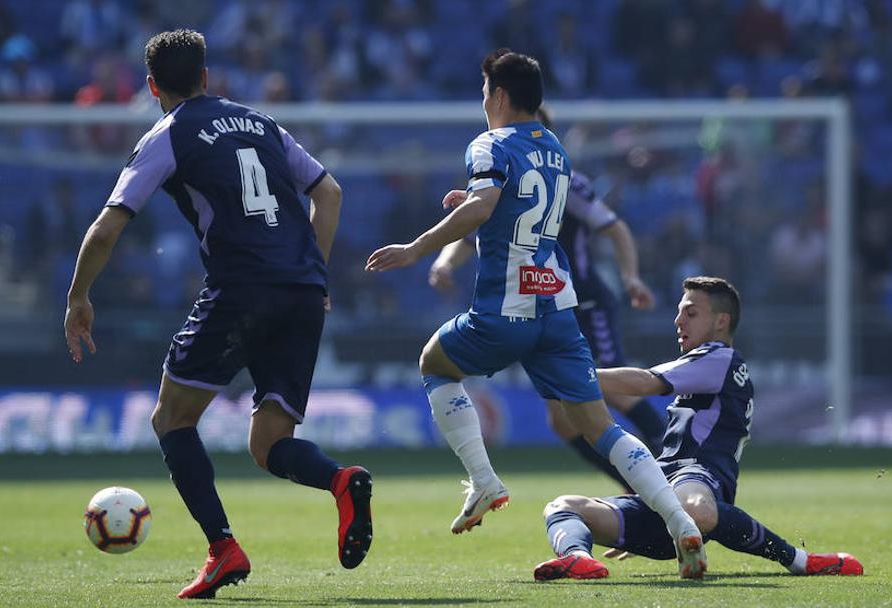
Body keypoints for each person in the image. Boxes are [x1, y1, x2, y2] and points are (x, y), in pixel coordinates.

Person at [366, 48, 706, 579]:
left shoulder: (488, 143)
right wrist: (474, 199)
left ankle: (484, 481)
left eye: (485, 92)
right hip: (557, 307)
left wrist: (415, 249)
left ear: (499, 95)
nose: (483, 102)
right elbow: (515, 204)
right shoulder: (555, 149)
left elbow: (485, 207)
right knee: (599, 426)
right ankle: (678, 519)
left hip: (506, 309)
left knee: (435, 363)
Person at [63, 30, 373, 600]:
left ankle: (222, 548)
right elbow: (329, 192)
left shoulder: (168, 133)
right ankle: (341, 480)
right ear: (206, 77)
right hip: (303, 290)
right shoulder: (262, 123)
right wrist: (315, 272)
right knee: (269, 443)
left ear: (152, 86)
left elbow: (107, 228)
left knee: (171, 419)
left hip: (241, 287)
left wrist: (78, 296)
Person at [534, 276, 864, 580]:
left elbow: (645, 382)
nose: (678, 321)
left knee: (695, 510)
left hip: (698, 478)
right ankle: (578, 558)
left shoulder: (721, 358)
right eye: (679, 312)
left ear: (721, 321)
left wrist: (574, 376)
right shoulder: (706, 366)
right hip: (660, 490)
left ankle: (800, 559)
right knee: (562, 507)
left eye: (690, 313)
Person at [428, 105, 666, 491]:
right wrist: (443, 263)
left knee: (608, 388)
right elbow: (472, 232)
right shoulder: (502, 178)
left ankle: (680, 464)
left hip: (584, 302)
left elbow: (615, 227)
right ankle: (634, 486)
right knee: (561, 421)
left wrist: (630, 277)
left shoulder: (566, 181)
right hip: (542, 307)